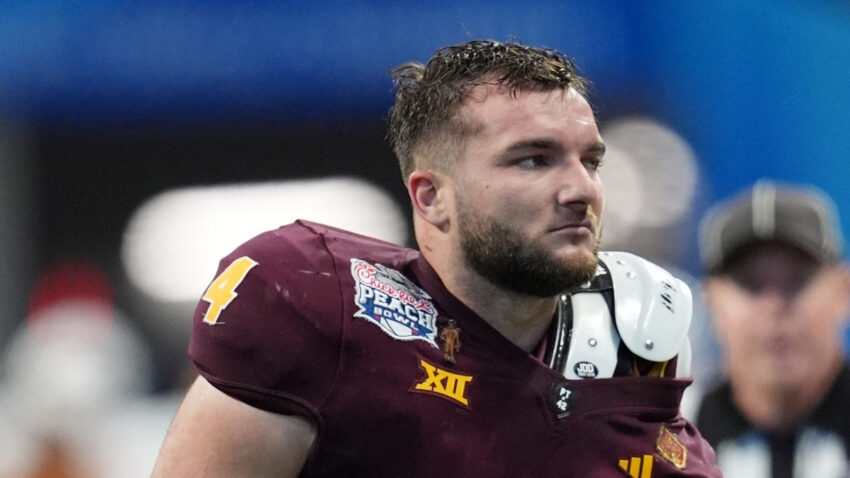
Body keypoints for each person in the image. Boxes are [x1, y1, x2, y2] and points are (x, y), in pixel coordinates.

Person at [152, 39, 720, 477]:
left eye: (590, 161)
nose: (582, 189)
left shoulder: (637, 350)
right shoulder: (316, 304)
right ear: (431, 198)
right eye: (534, 159)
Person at [695, 179, 850, 478]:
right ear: (711, 301)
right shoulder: (666, 443)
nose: (774, 306)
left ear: (843, 291)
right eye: (749, 284)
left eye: (797, 279)